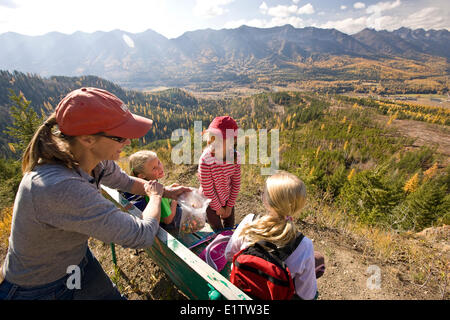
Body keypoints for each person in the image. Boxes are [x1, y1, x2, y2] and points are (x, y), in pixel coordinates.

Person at [0, 87, 189, 300]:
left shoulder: (94, 160)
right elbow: (142, 235)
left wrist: (166, 192)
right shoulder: (61, 187)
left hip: (76, 262)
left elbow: (124, 181)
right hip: (38, 288)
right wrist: (155, 196)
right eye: (120, 137)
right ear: (88, 139)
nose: (128, 142)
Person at [224, 171, 325, 300]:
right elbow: (307, 294)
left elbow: (228, 255)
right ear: (298, 207)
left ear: (267, 201)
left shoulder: (249, 221)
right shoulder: (304, 245)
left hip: (239, 291)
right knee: (318, 259)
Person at [198, 116, 241, 231]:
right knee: (217, 229)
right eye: (211, 138)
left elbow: (236, 183)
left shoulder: (235, 157)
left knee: (229, 226)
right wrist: (218, 208)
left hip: (226, 197)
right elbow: (208, 189)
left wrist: (229, 206)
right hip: (209, 200)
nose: (212, 143)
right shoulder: (206, 160)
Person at [123, 150, 182, 232]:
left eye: (158, 162)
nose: (160, 167)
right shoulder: (156, 192)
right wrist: (175, 199)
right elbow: (168, 220)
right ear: (142, 175)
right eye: (154, 168)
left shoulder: (144, 187)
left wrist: (168, 189)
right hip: (170, 226)